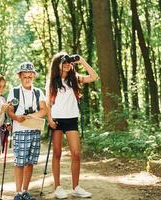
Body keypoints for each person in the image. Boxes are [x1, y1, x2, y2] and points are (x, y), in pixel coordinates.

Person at [46, 52, 99, 199]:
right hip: (56, 120)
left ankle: (76, 187)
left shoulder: (75, 79)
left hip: (71, 119)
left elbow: (94, 77)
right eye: (64, 62)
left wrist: (81, 61)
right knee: (57, 153)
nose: (67, 64)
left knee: (76, 154)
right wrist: (49, 119)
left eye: (69, 62)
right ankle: (57, 187)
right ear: (58, 65)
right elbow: (47, 101)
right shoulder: (52, 81)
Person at [7, 62, 47, 200]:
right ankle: (17, 193)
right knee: (19, 162)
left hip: (34, 129)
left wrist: (30, 116)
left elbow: (44, 110)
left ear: (33, 76)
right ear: (20, 76)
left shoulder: (38, 92)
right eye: (25, 76)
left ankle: (25, 191)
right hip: (19, 130)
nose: (28, 79)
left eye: (30, 76)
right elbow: (10, 111)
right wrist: (17, 118)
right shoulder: (14, 91)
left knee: (30, 162)